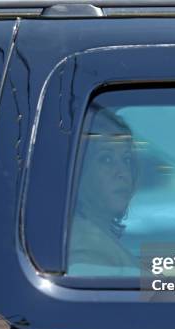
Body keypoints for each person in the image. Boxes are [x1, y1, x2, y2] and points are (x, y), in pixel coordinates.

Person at [67, 104, 139, 276]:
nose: (122, 172)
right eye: (106, 159)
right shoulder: (87, 250)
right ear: (80, 172)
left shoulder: (98, 238)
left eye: (126, 159)